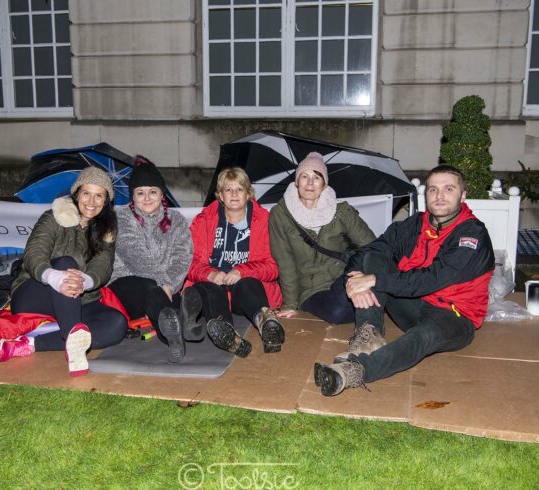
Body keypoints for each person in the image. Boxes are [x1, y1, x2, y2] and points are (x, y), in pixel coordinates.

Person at [314, 165, 495, 396]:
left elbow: (432, 279)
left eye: (448, 189)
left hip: (453, 318)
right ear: (425, 194)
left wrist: (374, 280)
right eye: (432, 189)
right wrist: (354, 279)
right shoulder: (414, 225)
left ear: (462, 195)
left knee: (423, 336)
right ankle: (369, 333)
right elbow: (373, 249)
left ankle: (355, 371)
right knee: (374, 257)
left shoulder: (472, 235)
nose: (439, 196)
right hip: (414, 305)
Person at [0, 166, 127, 376]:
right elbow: (34, 253)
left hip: (80, 297)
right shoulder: (53, 217)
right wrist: (55, 277)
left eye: (99, 196)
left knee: (117, 324)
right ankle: (72, 341)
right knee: (65, 262)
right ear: (76, 194)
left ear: (106, 201)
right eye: (86, 193)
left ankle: (29, 344)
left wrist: (85, 281)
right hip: (36, 292)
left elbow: (103, 265)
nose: (91, 202)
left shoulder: (107, 230)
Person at [185, 167, 285, 357]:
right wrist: (210, 274)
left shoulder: (264, 220)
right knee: (208, 287)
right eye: (228, 190)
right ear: (220, 196)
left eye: (239, 189)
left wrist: (241, 271)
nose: (234, 194)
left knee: (247, 283)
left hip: (245, 290)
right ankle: (229, 335)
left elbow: (272, 266)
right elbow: (189, 261)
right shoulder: (203, 220)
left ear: (248, 193)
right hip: (215, 287)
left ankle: (266, 323)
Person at [269, 152, 375, 324]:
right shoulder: (280, 214)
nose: (310, 183)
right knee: (338, 313)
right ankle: (371, 305)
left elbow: (372, 246)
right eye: (304, 176)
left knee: (356, 296)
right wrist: (290, 304)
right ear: (297, 182)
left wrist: (363, 280)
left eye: (317, 177)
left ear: (324, 184)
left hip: (343, 276)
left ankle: (368, 299)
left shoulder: (341, 212)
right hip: (310, 288)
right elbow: (285, 262)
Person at [107, 156, 196, 363]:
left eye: (152, 192)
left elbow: (182, 258)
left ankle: (175, 333)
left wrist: (170, 284)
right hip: (125, 284)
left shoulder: (177, 220)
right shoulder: (121, 217)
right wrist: (163, 283)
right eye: (140, 193)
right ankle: (181, 324)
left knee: (165, 296)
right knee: (150, 288)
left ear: (161, 194)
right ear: (133, 196)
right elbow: (135, 256)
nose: (147, 198)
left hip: (164, 287)